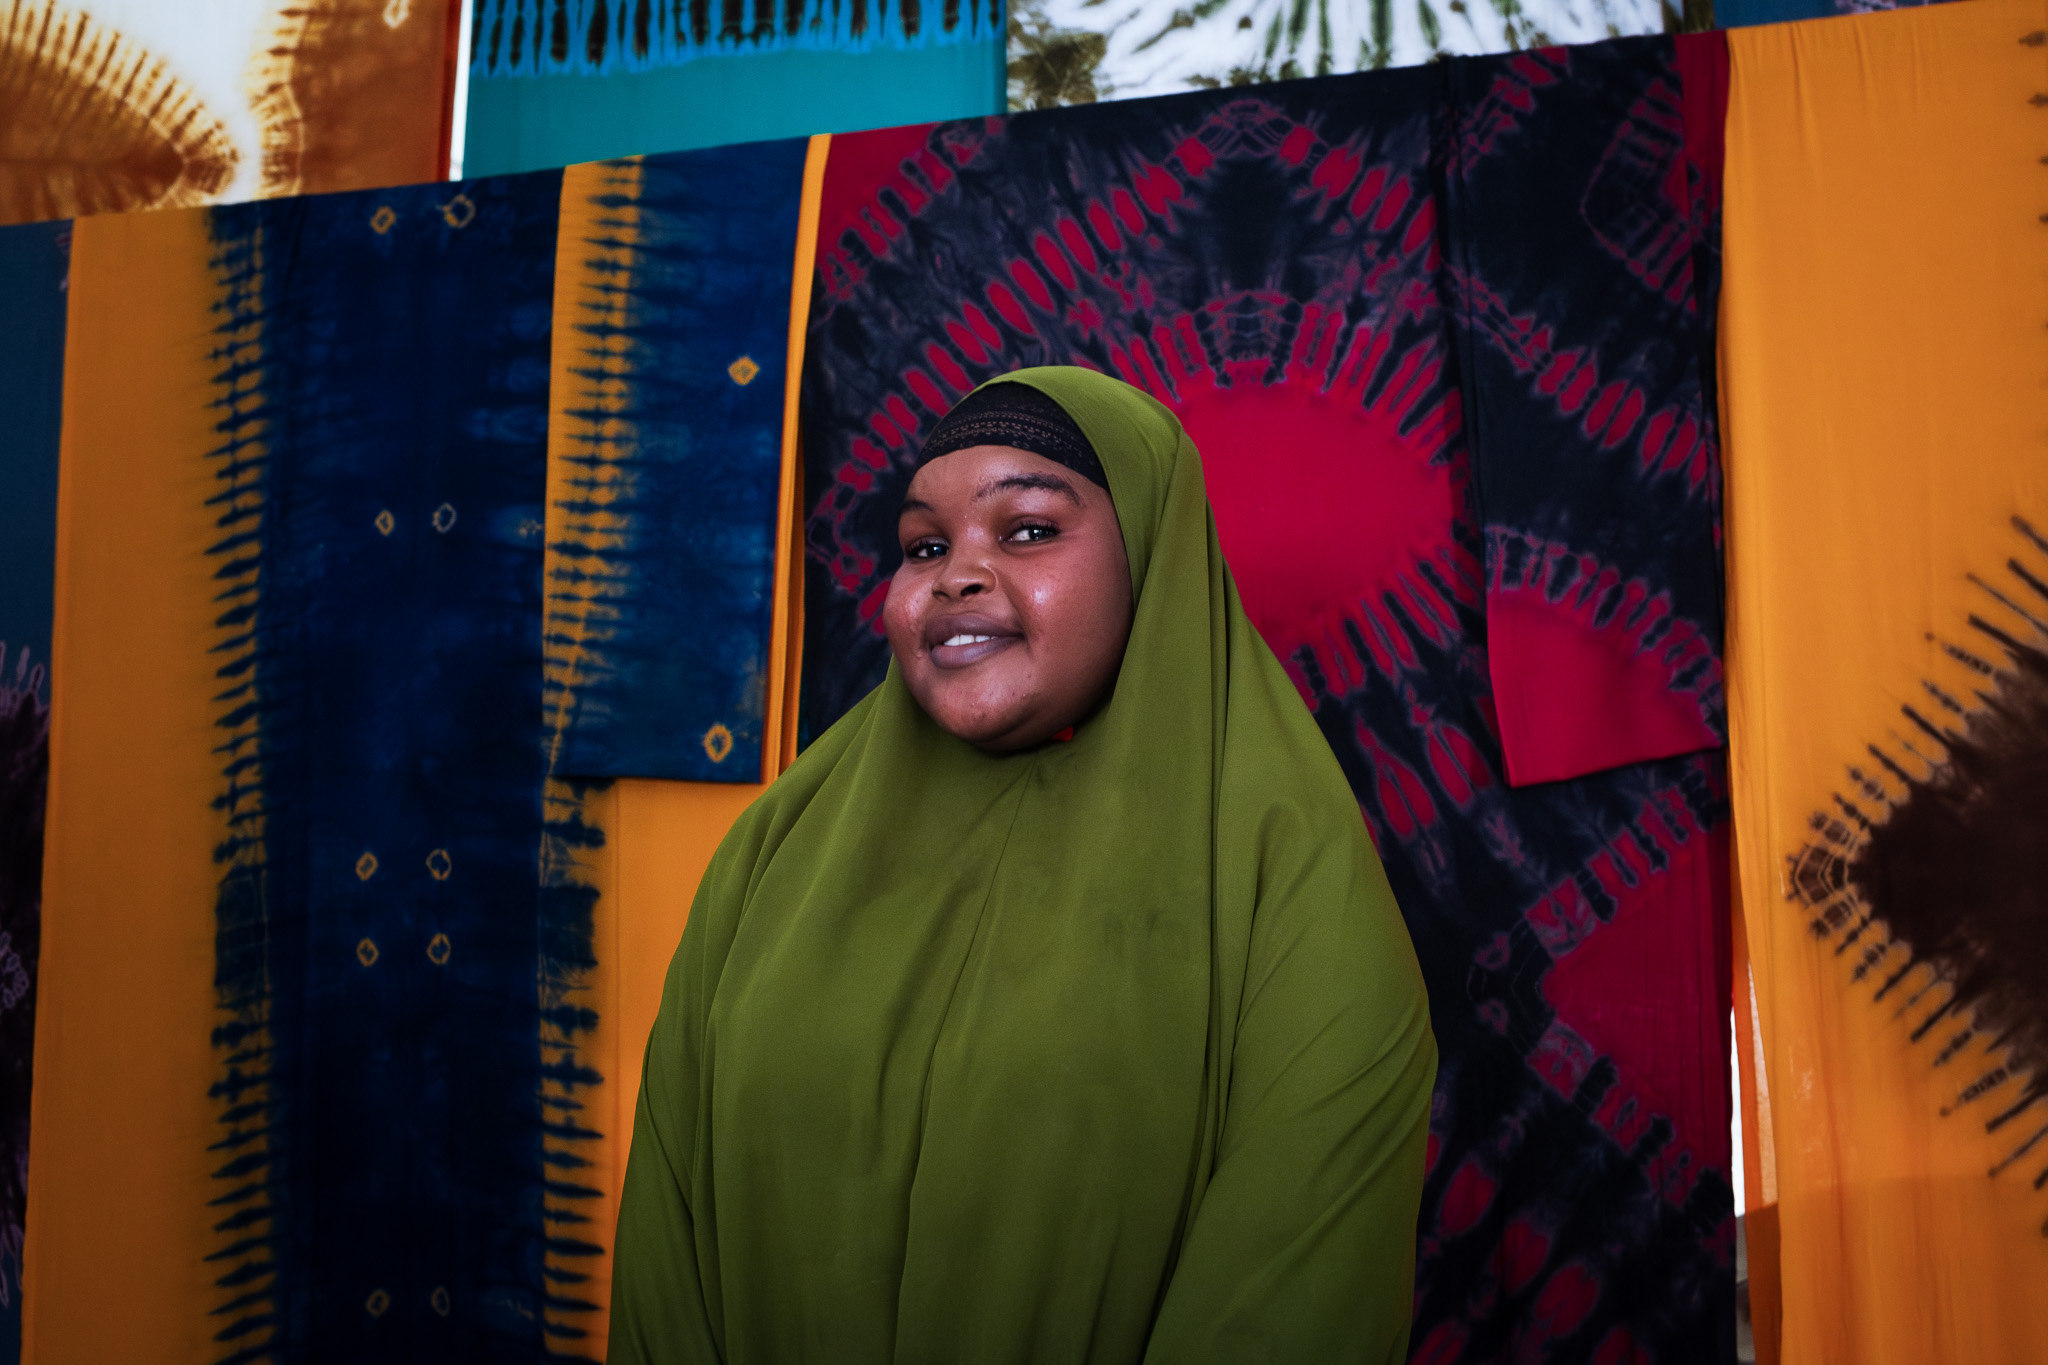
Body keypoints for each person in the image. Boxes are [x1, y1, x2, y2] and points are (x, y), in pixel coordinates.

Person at [608, 367, 1436, 1363]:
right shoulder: (778, 846)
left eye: (1029, 530)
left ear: (1150, 558)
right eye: (923, 545)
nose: (954, 575)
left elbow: (1295, 1300)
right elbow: (666, 1233)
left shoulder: (1285, 876)